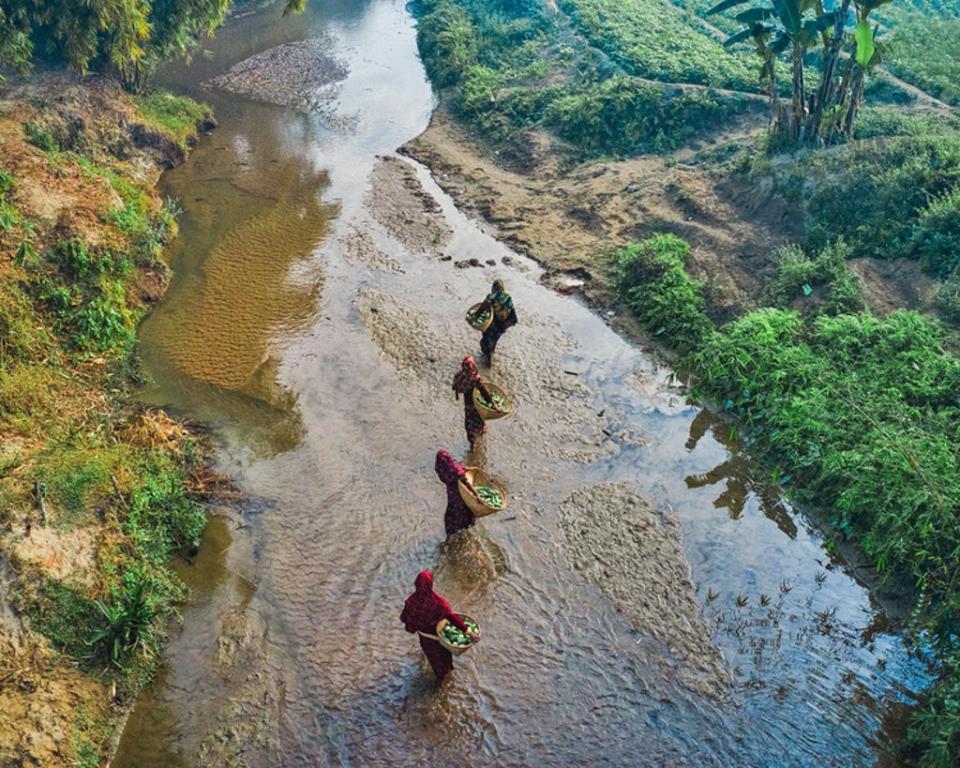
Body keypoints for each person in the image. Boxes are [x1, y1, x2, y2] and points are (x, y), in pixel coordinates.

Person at [400, 569, 471, 681]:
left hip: (425, 639)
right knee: (445, 661)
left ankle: (441, 679)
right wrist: (467, 631)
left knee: (434, 660)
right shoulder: (438, 603)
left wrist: (418, 622)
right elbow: (451, 617)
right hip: (438, 638)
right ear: (430, 585)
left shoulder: (410, 601)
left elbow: (403, 618)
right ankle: (445, 684)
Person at [452, 355, 491, 451]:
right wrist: (492, 403)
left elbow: (456, 387)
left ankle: (472, 443)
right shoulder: (475, 378)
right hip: (477, 405)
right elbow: (484, 392)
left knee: (469, 423)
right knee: (479, 420)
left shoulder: (461, 376)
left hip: (468, 406)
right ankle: (481, 431)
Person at [435, 449, 477, 537]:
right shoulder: (454, 469)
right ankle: (465, 533)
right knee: (464, 514)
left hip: (451, 496)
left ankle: (450, 536)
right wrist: (476, 494)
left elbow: (457, 469)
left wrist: (463, 468)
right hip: (461, 495)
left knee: (452, 515)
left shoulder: (441, 469)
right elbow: (465, 481)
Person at [478, 279, 518, 363]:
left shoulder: (491, 296)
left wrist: (476, 315)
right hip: (504, 324)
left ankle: (487, 354)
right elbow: (511, 310)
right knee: (494, 339)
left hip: (492, 323)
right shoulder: (507, 297)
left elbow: (483, 307)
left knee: (486, 338)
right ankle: (491, 352)